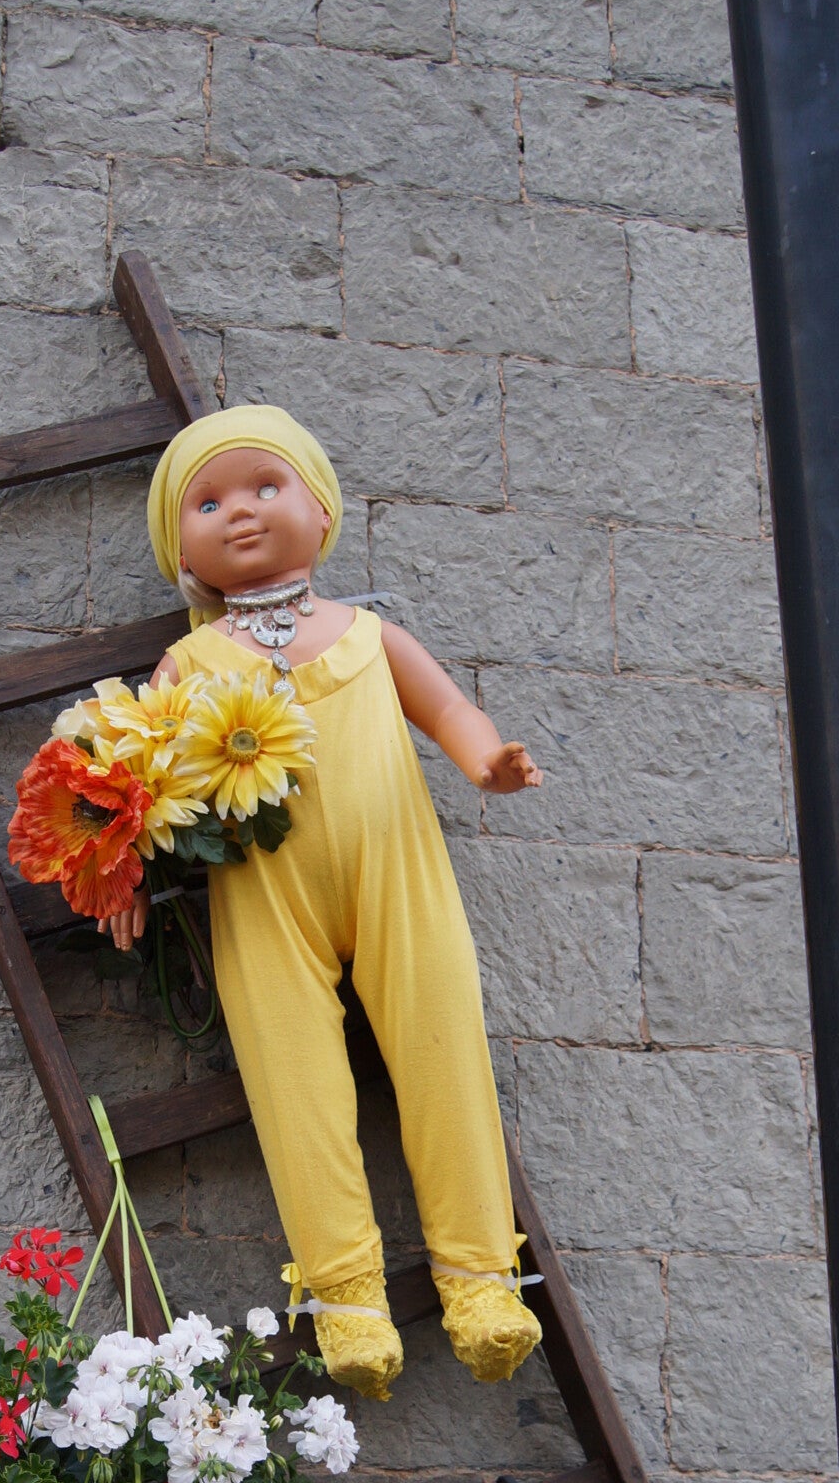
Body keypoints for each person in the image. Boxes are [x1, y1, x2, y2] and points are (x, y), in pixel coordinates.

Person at [100, 403, 544, 1402]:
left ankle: (482, 1281)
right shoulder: (191, 666)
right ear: (181, 550)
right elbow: (133, 773)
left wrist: (486, 761)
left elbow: (447, 706)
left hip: (401, 876)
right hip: (265, 896)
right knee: (292, 1078)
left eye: (267, 486)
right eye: (208, 503)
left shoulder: (370, 636)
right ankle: (348, 1300)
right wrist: (117, 864)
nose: (242, 512)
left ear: (323, 510)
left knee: (444, 1049)